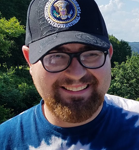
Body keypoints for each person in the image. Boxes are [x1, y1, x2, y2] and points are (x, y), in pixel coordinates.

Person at [0, 0, 139, 149]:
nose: (76, 74)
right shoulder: (5, 141)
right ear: (29, 60)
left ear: (109, 55)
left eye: (91, 54)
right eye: (56, 56)